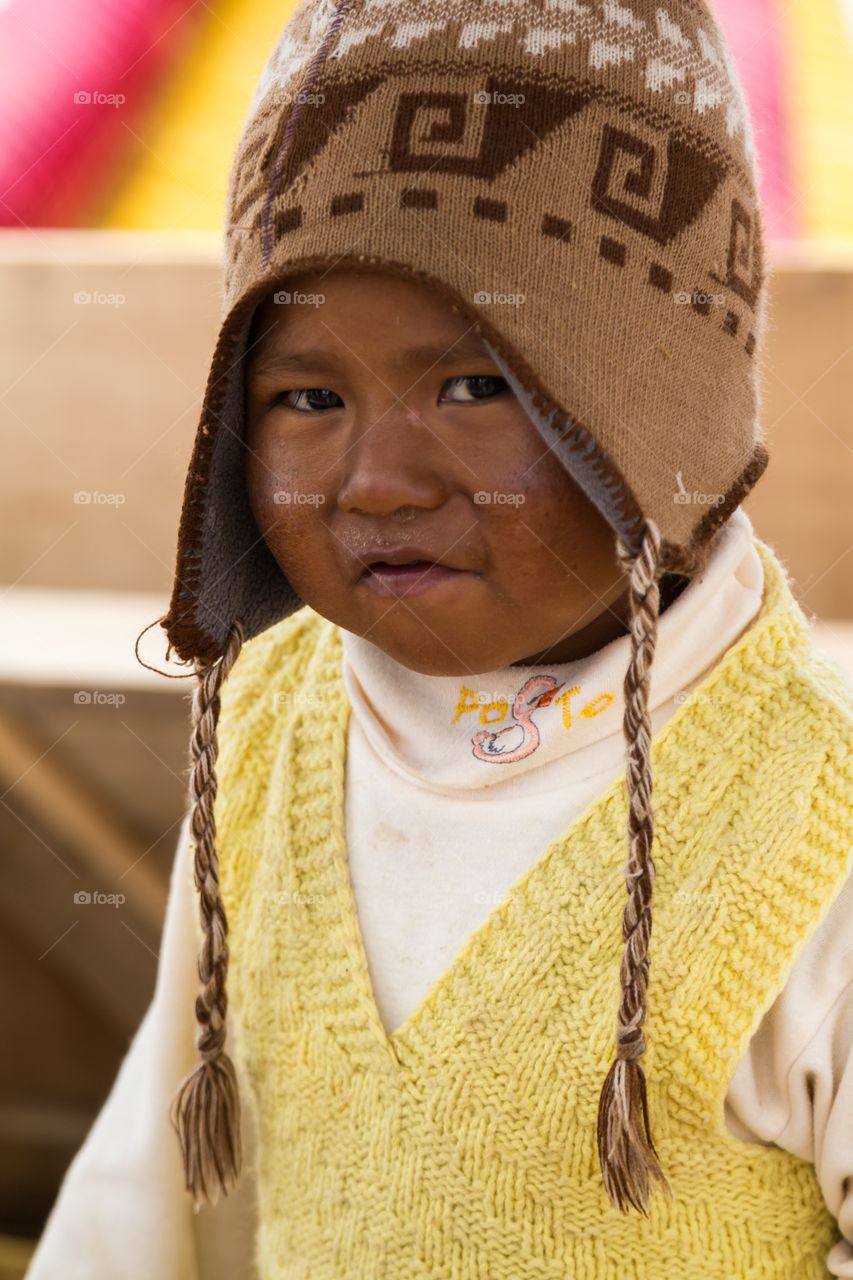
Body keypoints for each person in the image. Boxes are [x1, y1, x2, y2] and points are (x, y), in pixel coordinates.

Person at [26, 0, 853, 1276]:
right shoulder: (262, 727)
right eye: (305, 396)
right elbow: (151, 1202)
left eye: (476, 385)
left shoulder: (814, 827)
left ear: (658, 417)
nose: (378, 480)